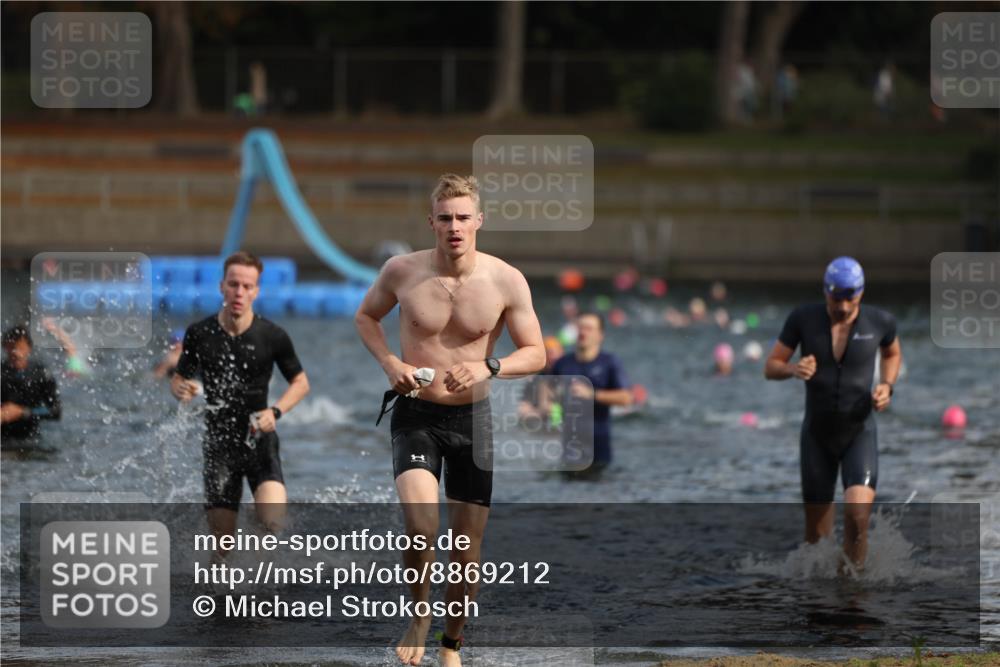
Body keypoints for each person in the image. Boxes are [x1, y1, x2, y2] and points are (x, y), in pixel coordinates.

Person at [355, 173, 545, 667]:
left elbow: (537, 353)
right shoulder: (402, 271)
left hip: (473, 422)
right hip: (416, 415)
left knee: (466, 551)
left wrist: (489, 366)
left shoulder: (506, 279)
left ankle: (451, 644)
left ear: (478, 221)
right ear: (431, 222)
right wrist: (392, 365)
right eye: (445, 218)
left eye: (463, 217)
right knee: (421, 529)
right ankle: (419, 615)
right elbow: (366, 318)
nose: (454, 227)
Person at [764, 257, 901, 569]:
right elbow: (770, 367)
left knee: (856, 517)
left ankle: (854, 588)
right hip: (817, 436)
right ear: (825, 292)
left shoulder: (880, 322)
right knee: (816, 538)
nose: (842, 305)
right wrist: (792, 368)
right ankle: (823, 601)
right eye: (836, 297)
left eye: (849, 297)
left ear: (861, 293)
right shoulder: (803, 319)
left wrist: (887, 386)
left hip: (859, 433)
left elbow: (892, 351)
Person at [171, 252, 310, 553]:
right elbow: (178, 379)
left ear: (256, 291)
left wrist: (276, 411)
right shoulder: (200, 333)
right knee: (222, 548)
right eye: (234, 284)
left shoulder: (272, 336)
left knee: (272, 524)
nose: (239, 292)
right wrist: (182, 390)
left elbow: (301, 383)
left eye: (247, 286)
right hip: (219, 446)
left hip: (260, 440)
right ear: (222, 286)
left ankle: (258, 553)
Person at [551, 312, 634, 479]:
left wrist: (592, 394)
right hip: (569, 450)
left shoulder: (610, 362)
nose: (583, 332)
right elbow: (546, 397)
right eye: (580, 328)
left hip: (599, 449)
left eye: (589, 328)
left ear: (600, 335)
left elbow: (626, 398)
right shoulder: (562, 364)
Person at [1, 325, 61, 443]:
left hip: (30, 440)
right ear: (4, 347)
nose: (16, 353)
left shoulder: (41, 375)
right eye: (12, 348)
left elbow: (55, 411)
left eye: (20, 348)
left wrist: (23, 412)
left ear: (29, 348)